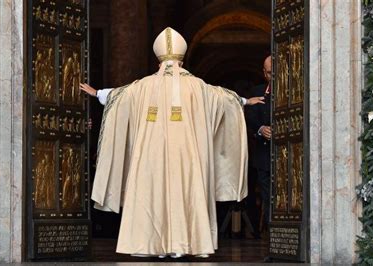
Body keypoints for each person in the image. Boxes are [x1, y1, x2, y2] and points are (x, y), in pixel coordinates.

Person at [80, 27, 264, 258]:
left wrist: (97, 92)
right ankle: (185, 244)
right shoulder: (198, 86)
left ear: (158, 62)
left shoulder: (143, 85)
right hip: (187, 157)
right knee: (186, 190)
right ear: (182, 59)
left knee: (151, 192)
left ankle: (147, 244)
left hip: (150, 158)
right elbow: (224, 98)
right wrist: (245, 100)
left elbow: (118, 96)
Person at [247, 55, 272, 232]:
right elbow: (249, 119)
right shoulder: (257, 92)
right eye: (271, 73)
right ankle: (274, 239)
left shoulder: (295, 90)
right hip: (264, 156)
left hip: (291, 155)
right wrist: (261, 129)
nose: (274, 76)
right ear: (264, 73)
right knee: (268, 196)